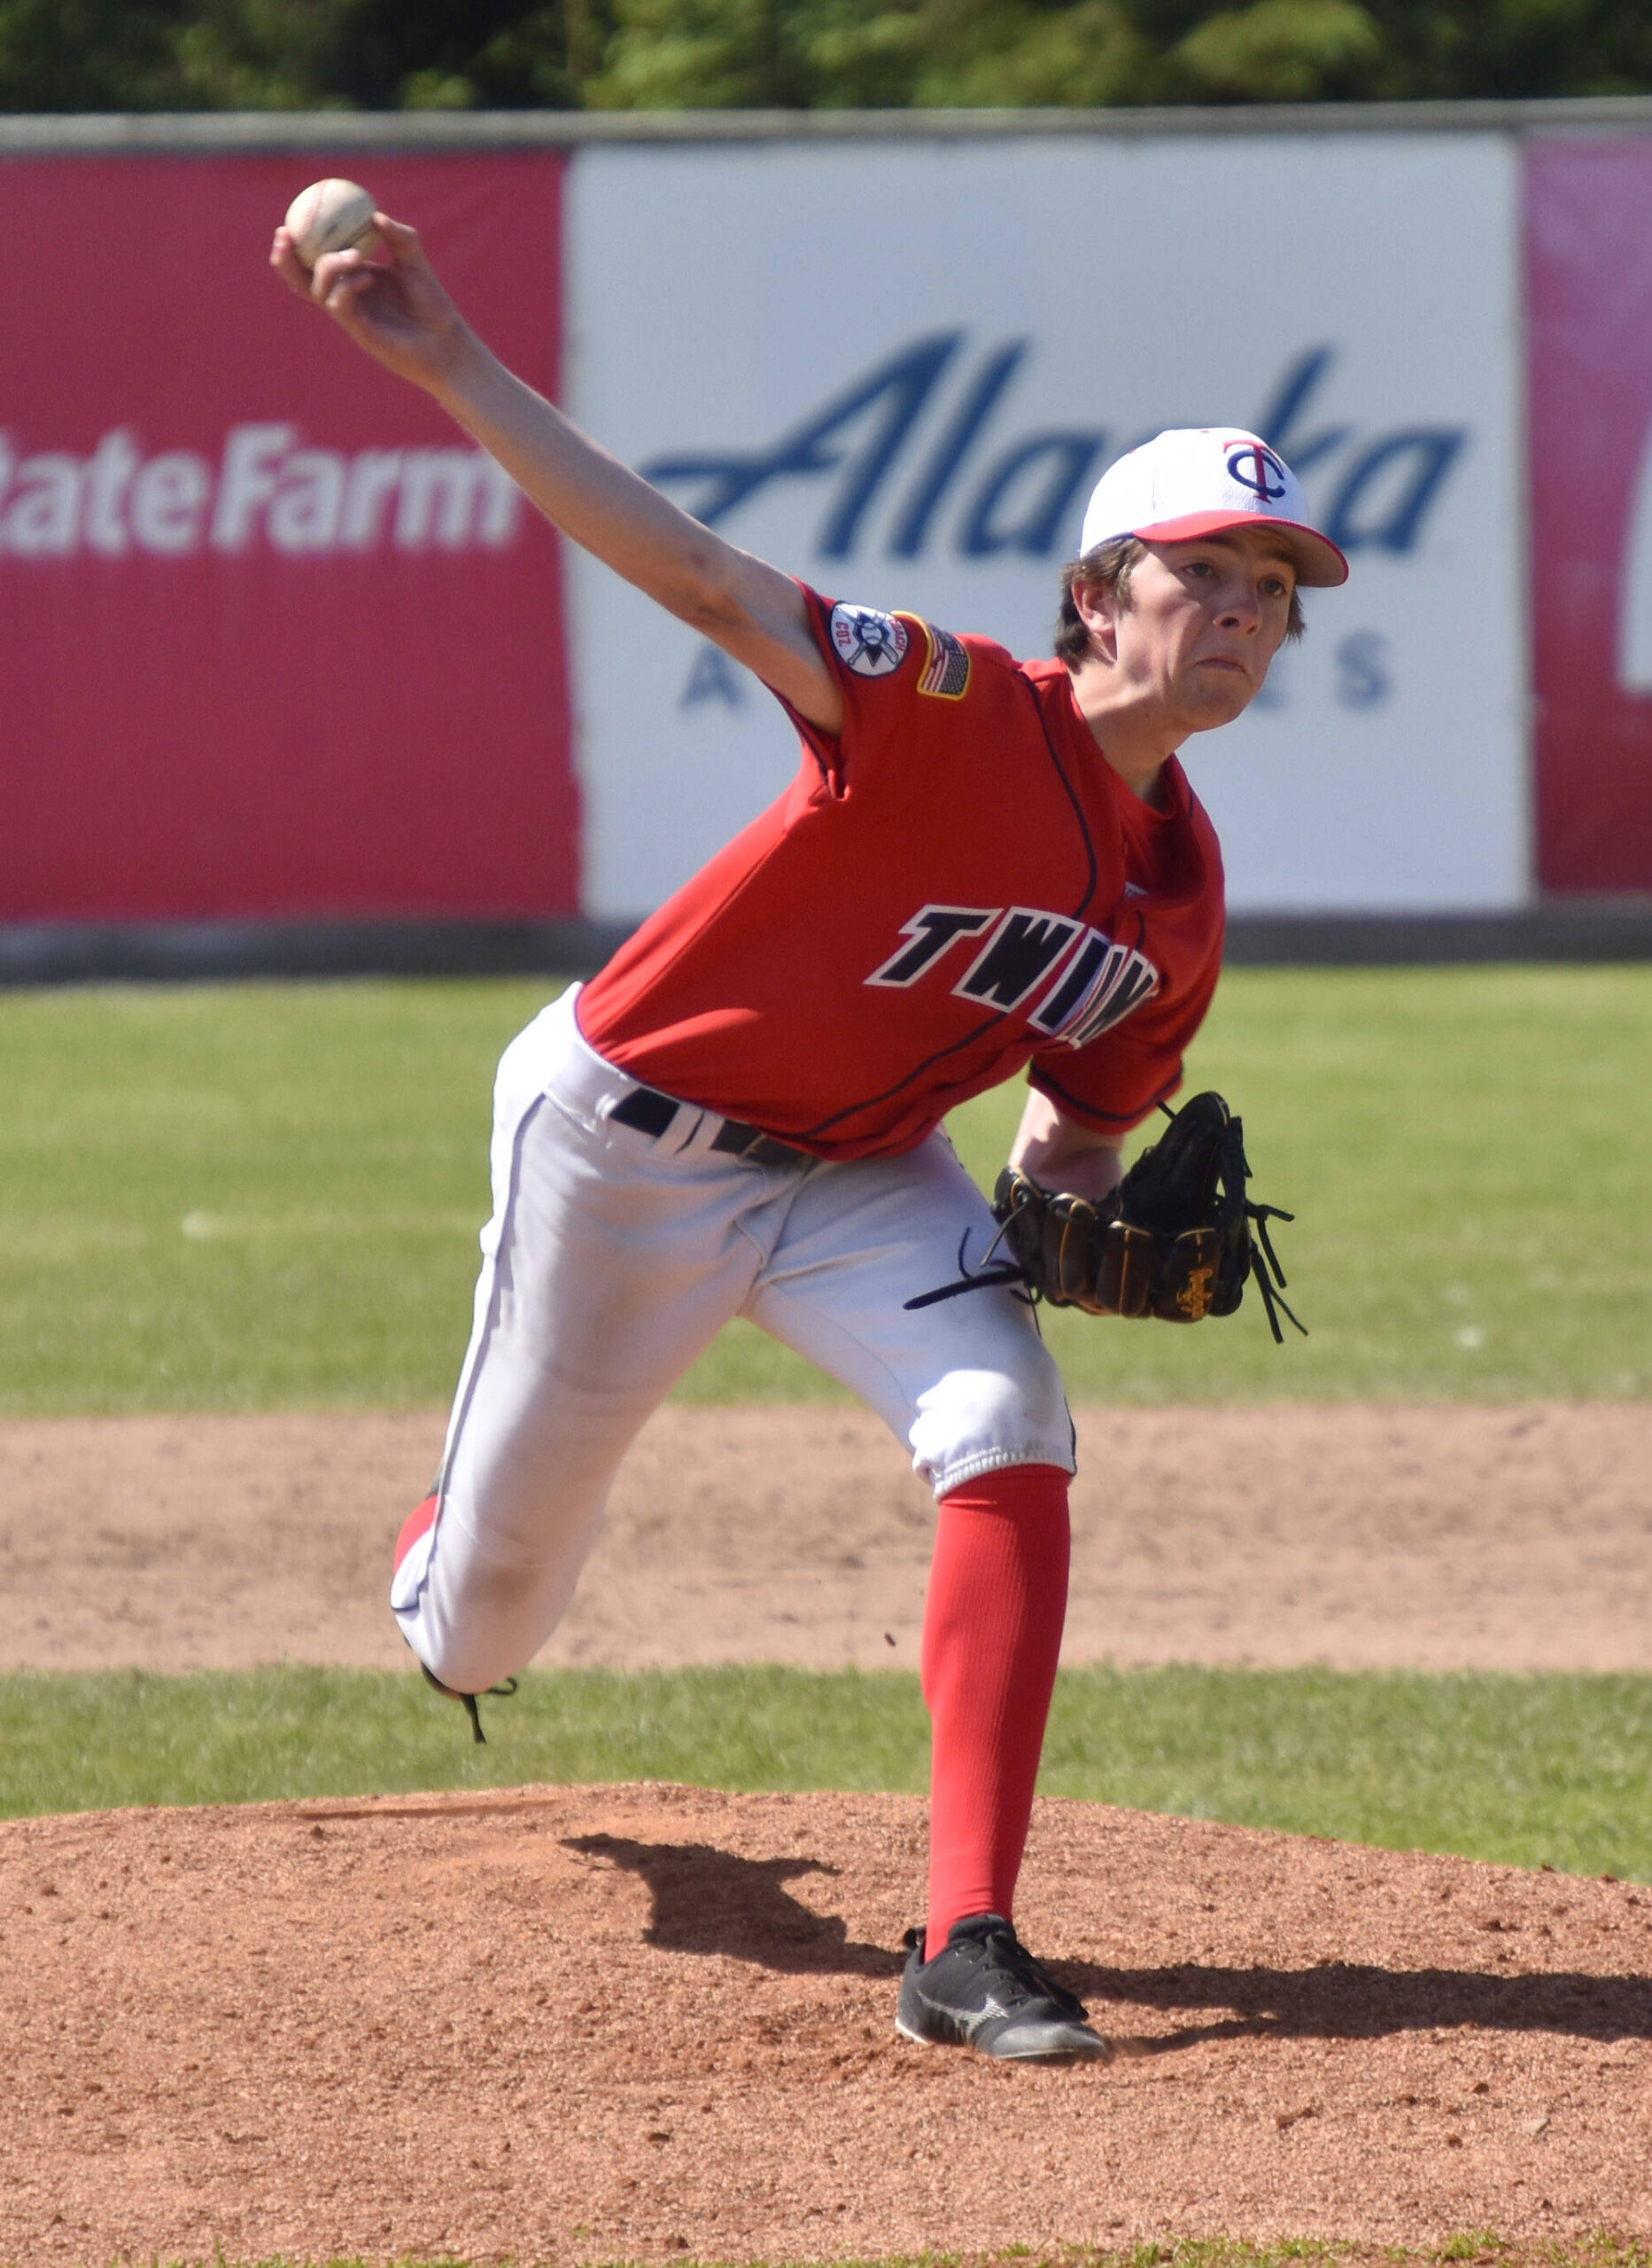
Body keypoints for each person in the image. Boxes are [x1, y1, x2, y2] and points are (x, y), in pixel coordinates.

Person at [273, 207, 1346, 2066]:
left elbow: (1071, 1144)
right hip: (626, 1144)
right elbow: (697, 575)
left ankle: (964, 1937)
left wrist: (1065, 1213)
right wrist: (444, 357)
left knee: (1008, 1420)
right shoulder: (942, 705)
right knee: (482, 1623)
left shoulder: (1183, 900)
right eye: (1204, 573)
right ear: (1097, 594)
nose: (1240, 613)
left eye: (1271, 588)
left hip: (864, 1176)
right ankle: (443, 1546)